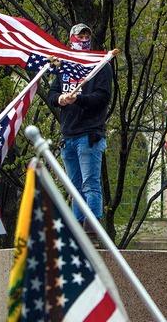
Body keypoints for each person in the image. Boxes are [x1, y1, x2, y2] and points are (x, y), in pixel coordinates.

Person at [48, 23, 112, 230]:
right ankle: (77, 226)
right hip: (68, 135)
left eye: (87, 35)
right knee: (74, 187)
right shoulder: (63, 66)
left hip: (90, 134)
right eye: (79, 35)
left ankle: (92, 226)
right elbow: (51, 94)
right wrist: (61, 99)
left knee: (90, 183)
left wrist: (78, 100)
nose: (84, 39)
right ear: (71, 39)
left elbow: (103, 97)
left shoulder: (101, 65)